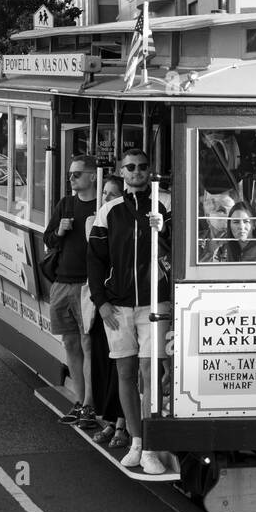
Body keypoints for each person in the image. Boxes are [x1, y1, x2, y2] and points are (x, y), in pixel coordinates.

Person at [87, 149, 171, 475]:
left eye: (143, 167)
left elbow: (176, 249)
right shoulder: (108, 211)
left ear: (150, 171)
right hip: (118, 307)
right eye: (131, 167)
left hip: (154, 302)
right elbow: (95, 260)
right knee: (125, 373)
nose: (137, 172)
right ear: (122, 172)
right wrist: (101, 301)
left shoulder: (162, 205)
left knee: (150, 373)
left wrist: (162, 229)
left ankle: (150, 445)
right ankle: (136, 441)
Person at [43, 155, 99, 430]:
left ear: (92, 176)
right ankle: (79, 401)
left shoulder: (101, 207)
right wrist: (60, 231)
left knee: (88, 344)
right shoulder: (66, 204)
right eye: (70, 175)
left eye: (76, 174)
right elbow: (47, 238)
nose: (71, 179)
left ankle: (89, 404)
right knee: (70, 344)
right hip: (62, 283)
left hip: (87, 285)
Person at [83, 175, 129, 449]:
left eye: (112, 194)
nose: (106, 199)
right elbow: (95, 263)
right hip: (104, 305)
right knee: (109, 364)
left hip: (124, 305)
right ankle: (110, 419)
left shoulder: (126, 222)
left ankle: (121, 423)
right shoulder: (97, 221)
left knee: (125, 367)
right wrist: (100, 303)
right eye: (104, 194)